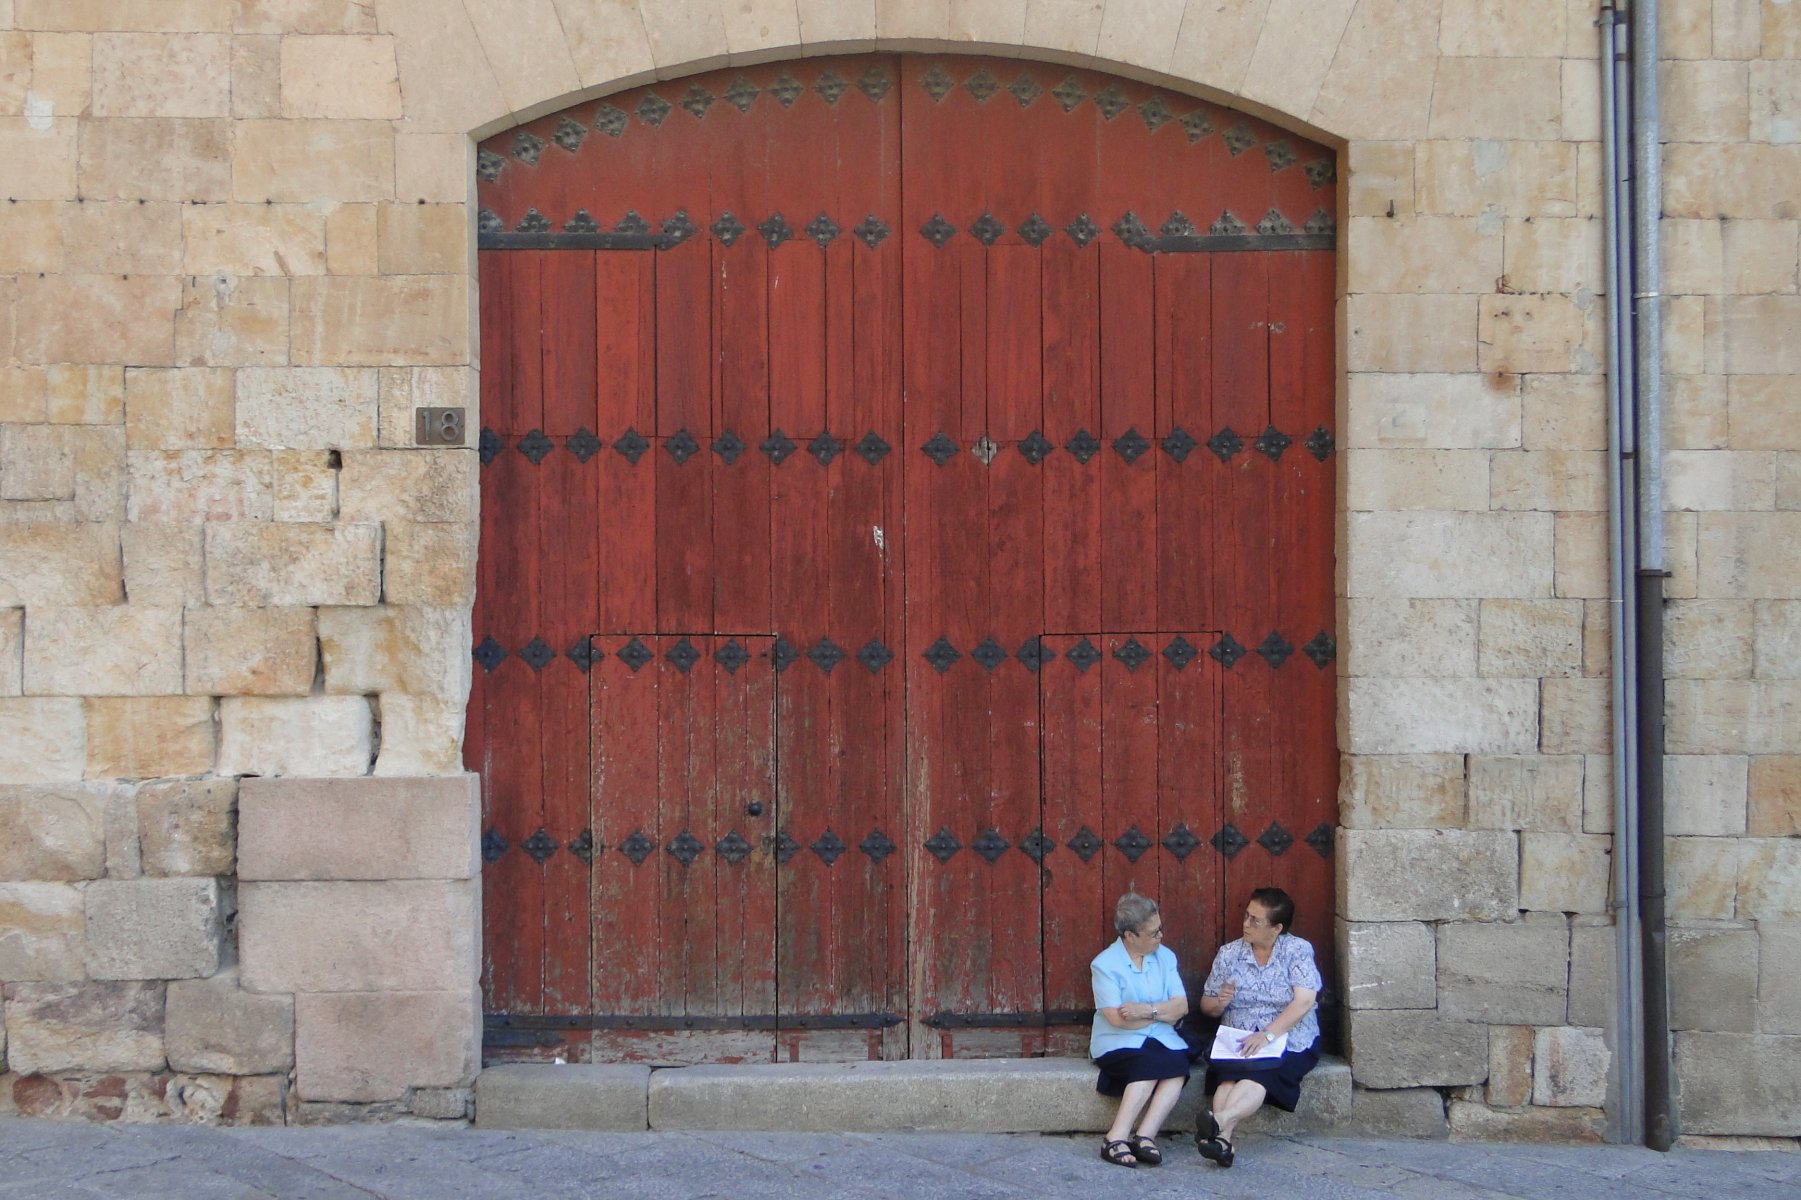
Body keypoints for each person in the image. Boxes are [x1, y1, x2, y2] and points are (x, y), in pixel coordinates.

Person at [1192, 886, 1321, 1168]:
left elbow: (1304, 1001)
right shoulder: (1230, 954)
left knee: (1259, 1077)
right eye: (1247, 916)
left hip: (1288, 1037)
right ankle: (1221, 1141)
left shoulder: (1296, 951)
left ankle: (1220, 1122)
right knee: (1227, 1078)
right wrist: (1219, 1004)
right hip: (1237, 1038)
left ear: (1276, 928)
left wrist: (1267, 1034)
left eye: (1255, 920)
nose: (1246, 924)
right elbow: (1206, 1005)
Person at [1089, 892, 1190, 1168]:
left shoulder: (1165, 957)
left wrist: (1146, 1011)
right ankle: (1115, 1137)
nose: (1160, 936)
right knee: (1149, 1064)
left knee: (1178, 1065)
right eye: (1153, 932)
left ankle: (1145, 1135)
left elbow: (1181, 1006)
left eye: (1160, 929)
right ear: (1130, 936)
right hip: (1117, 1041)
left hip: (1160, 1037)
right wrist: (1162, 1013)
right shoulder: (1105, 965)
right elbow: (1117, 1019)